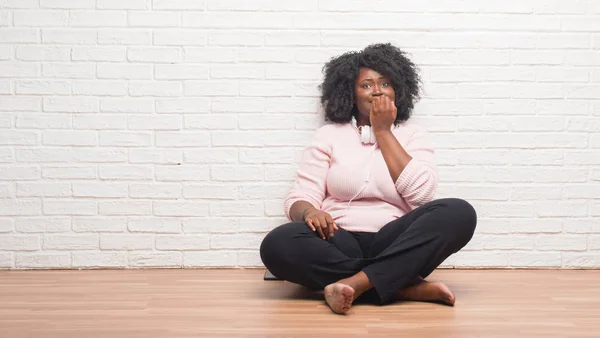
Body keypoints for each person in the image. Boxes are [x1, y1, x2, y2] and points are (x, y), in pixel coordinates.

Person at [259, 43, 477, 315]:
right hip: (337, 237)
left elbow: (421, 195)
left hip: (394, 239)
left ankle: (355, 283)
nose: (376, 90)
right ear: (350, 93)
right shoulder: (329, 135)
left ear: (398, 89)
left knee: (459, 212)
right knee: (277, 243)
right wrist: (310, 211)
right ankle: (399, 285)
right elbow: (298, 198)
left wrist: (383, 131)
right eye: (366, 85)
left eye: (385, 83)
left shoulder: (412, 135)